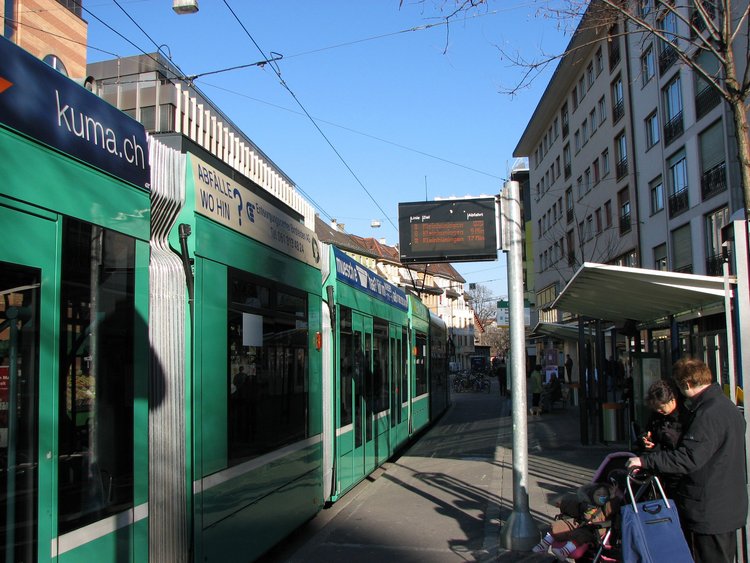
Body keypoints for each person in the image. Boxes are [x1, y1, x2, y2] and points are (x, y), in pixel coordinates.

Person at [626, 358, 747, 563]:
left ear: (687, 384)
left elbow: (688, 458)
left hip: (709, 508)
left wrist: (645, 461)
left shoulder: (707, 413)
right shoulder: (726, 406)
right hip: (727, 502)